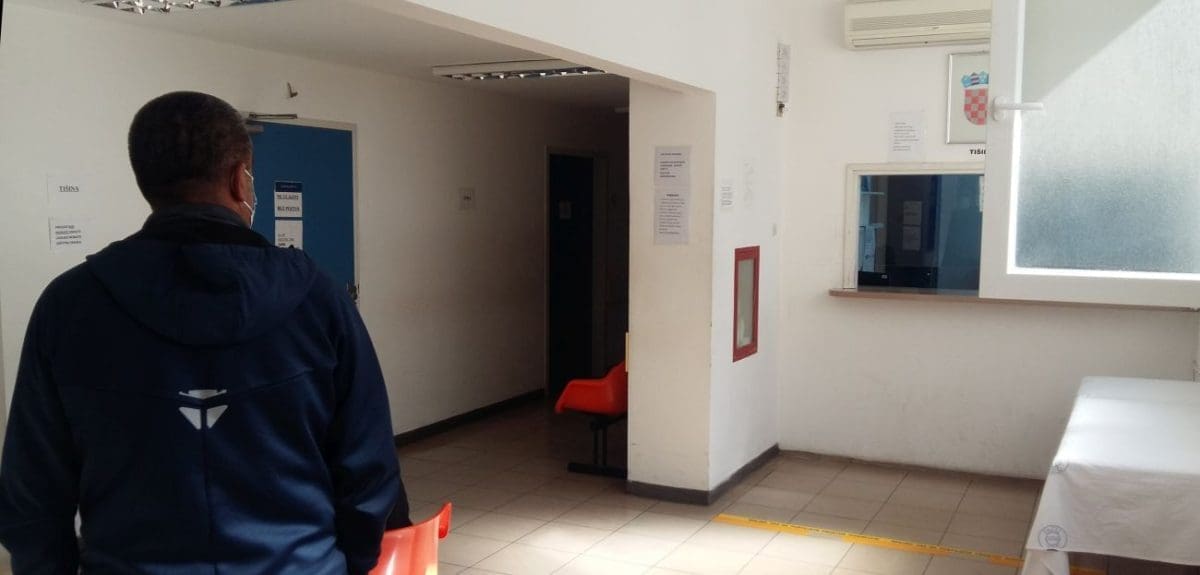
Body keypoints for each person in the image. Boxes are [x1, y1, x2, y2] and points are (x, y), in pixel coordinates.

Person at [0, 91, 408, 573]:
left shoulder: (69, 306)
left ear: (145, 182)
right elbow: (369, 466)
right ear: (240, 179)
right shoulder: (319, 300)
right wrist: (350, 562)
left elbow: (33, 490)